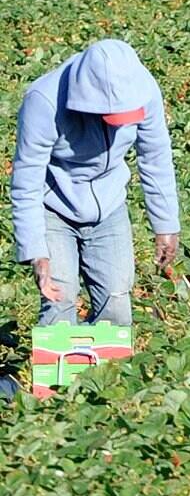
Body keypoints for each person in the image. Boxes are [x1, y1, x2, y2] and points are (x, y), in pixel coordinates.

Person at [12, 37, 179, 329]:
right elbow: (27, 184)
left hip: (109, 202)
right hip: (53, 206)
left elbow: (155, 156)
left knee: (115, 300)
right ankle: (57, 375)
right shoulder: (44, 102)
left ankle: (103, 373)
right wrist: (36, 252)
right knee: (58, 298)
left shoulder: (143, 88)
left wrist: (166, 226)